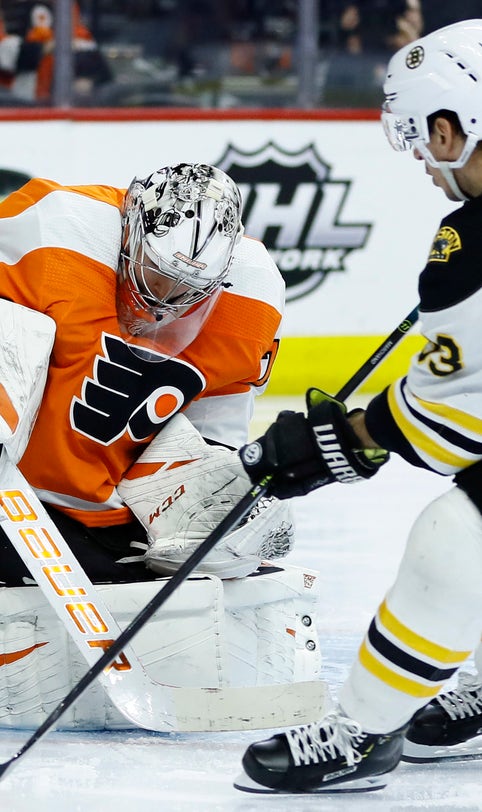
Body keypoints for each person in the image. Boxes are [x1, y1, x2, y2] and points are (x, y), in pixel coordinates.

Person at [234, 18, 482, 795]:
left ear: (452, 128)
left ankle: (364, 733)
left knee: (459, 535)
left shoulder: (469, 248)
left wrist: (339, 441)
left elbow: (455, 425)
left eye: (421, 136)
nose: (420, 158)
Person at [0, 161, 323, 730]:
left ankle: (97, 548)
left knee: (237, 507)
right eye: (156, 272)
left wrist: (222, 507)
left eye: (188, 288)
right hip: (13, 476)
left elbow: (218, 438)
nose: (166, 299)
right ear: (129, 236)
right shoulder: (52, 226)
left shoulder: (253, 296)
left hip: (99, 508)